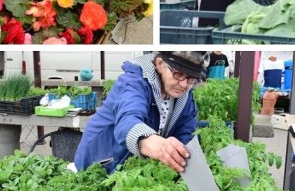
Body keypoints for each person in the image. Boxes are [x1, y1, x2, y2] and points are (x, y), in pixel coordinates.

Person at [74, 51, 210, 174]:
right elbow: (127, 121)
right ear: (160, 63)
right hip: (102, 159)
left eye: (192, 78)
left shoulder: (184, 96)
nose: (184, 85)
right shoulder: (133, 82)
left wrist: (182, 156)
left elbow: (185, 132)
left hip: (131, 167)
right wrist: (157, 145)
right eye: (178, 74)